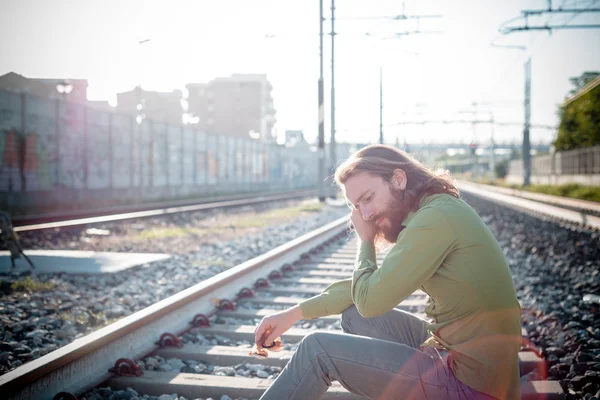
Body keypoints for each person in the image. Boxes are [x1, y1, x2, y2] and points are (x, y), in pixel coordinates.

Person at [253, 145, 522, 400]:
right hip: (458, 354)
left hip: (472, 385)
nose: (365, 214)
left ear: (398, 179)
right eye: (357, 207)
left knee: (317, 350)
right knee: (355, 316)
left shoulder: (434, 219)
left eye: (368, 198)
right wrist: (294, 313)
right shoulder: (432, 212)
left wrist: (366, 241)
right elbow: (363, 293)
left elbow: (371, 301)